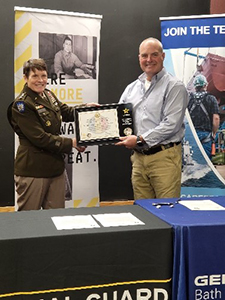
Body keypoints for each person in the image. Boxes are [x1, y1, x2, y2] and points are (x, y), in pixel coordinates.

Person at [7, 58, 92, 211]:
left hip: (55, 168)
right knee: (30, 222)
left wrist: (86, 109)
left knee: (56, 220)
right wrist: (71, 143)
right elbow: (40, 138)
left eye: (44, 76)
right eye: (35, 76)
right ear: (25, 78)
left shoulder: (48, 95)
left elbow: (66, 112)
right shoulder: (21, 105)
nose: (40, 80)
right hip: (33, 171)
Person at [116, 37, 189, 200]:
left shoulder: (175, 86)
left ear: (163, 56)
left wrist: (140, 139)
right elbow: (118, 116)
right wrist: (97, 113)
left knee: (168, 211)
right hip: (138, 160)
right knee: (144, 213)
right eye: (144, 55)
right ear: (139, 58)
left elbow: (171, 125)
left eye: (154, 55)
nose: (149, 60)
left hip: (164, 159)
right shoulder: (132, 88)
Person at [188, 74, 220, 159]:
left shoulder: (189, 98)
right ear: (205, 85)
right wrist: (213, 134)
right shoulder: (211, 98)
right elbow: (216, 118)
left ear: (195, 86)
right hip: (206, 135)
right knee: (205, 166)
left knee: (193, 162)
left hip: (192, 135)